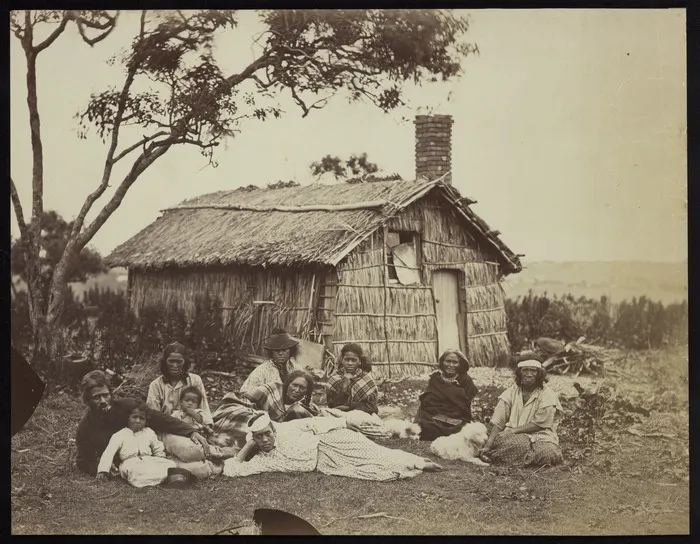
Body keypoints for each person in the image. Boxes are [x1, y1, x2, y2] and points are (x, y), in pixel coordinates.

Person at [76, 370, 217, 479]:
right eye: (96, 397)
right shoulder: (85, 428)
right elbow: (83, 460)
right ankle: (218, 465)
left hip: (157, 440)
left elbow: (160, 418)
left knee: (195, 451)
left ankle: (218, 452)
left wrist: (191, 431)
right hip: (139, 461)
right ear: (87, 401)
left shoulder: (127, 406)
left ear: (111, 394)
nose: (102, 401)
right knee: (199, 470)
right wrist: (101, 468)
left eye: (105, 395)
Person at [221, 413, 443, 481]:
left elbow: (315, 422)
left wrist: (344, 423)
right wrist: (250, 445)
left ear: (274, 430)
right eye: (259, 438)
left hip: (332, 440)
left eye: (267, 434)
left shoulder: (288, 428)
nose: (265, 440)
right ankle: (413, 465)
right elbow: (233, 469)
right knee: (370, 471)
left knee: (376, 453)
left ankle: (418, 461)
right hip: (324, 462)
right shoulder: (263, 460)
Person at [479, 360, 564, 467]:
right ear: (519, 373)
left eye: (533, 370)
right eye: (525, 370)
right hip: (514, 437)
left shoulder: (548, 395)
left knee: (548, 452)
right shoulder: (511, 392)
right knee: (515, 444)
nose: (529, 374)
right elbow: (499, 421)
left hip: (541, 435)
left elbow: (541, 423)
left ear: (539, 374)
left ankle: (514, 459)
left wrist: (514, 430)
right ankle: (529, 460)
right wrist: (488, 445)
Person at [146, 342, 215, 462]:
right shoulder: (156, 385)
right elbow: (154, 419)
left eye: (179, 362)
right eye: (171, 361)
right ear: (165, 362)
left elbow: (204, 410)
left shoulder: (195, 380)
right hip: (168, 432)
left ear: (185, 362)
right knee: (194, 452)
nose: (174, 365)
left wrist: (207, 432)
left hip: (196, 428)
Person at [95, 402, 176, 488]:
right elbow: (109, 453)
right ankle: (159, 480)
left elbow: (158, 448)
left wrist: (159, 460)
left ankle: (154, 479)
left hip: (148, 460)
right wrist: (103, 471)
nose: (137, 421)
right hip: (130, 463)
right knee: (135, 472)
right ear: (128, 418)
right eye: (134, 417)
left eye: (142, 418)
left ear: (146, 421)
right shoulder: (119, 435)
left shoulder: (149, 432)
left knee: (171, 464)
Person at [415, 349, 479, 441]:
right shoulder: (435, 378)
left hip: (455, 419)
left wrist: (456, 390)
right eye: (448, 361)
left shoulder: (465, 380)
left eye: (455, 362)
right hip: (435, 417)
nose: (451, 365)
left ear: (460, 364)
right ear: (442, 362)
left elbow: (465, 406)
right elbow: (426, 402)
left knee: (461, 429)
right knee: (426, 425)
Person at [239, 329, 302, 396]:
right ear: (271, 352)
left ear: (290, 351)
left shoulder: (296, 369)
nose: (280, 353)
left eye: (284, 350)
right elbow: (244, 392)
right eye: (277, 350)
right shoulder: (262, 371)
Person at [243, 370, 320, 422]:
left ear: (307, 391)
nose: (297, 390)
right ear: (288, 385)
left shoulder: (300, 407)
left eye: (302, 388)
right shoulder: (272, 389)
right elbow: (245, 399)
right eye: (295, 385)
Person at [325, 343, 378, 415]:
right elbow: (331, 405)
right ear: (342, 360)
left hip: (362, 416)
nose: (350, 363)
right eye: (347, 359)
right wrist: (344, 385)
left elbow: (371, 407)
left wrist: (350, 407)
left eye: (354, 360)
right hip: (338, 416)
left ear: (359, 361)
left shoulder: (367, 380)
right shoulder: (334, 378)